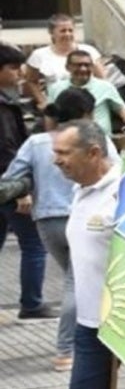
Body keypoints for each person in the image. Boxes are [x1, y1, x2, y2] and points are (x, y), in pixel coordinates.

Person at [20, 120, 119, 389]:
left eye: (63, 154)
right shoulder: (81, 191)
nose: (55, 161)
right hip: (92, 323)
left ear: (93, 153)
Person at [3, 89, 119, 371]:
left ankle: (92, 345)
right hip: (86, 220)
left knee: (76, 279)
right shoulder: (97, 141)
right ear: (86, 114)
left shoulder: (36, 142)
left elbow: (10, 178)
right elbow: (116, 174)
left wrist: (24, 189)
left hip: (47, 220)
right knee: (76, 282)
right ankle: (67, 350)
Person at [0, 41, 51, 320]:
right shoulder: (3, 108)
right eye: (12, 68)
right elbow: (8, 151)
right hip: (8, 186)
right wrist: (20, 190)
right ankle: (32, 303)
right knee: (33, 244)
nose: (18, 73)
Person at [45, 50, 125, 136]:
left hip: (100, 140)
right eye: (78, 65)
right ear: (67, 67)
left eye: (87, 65)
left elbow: (121, 109)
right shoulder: (56, 88)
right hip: (66, 140)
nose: (83, 69)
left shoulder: (105, 87)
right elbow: (50, 116)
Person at [23, 14, 104, 89]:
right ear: (51, 32)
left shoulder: (89, 51)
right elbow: (31, 81)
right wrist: (42, 100)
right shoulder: (39, 55)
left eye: (70, 30)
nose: (67, 34)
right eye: (63, 31)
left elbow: (101, 79)